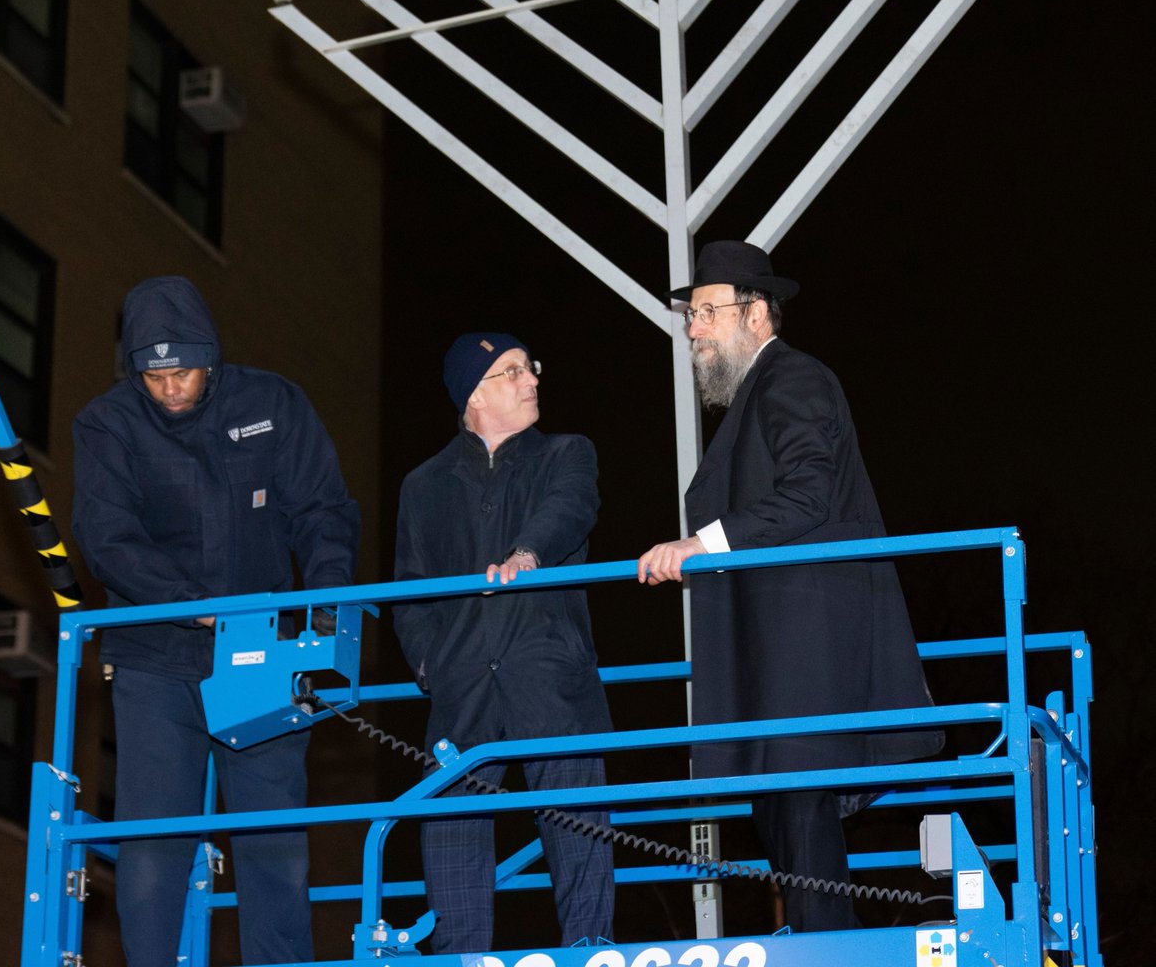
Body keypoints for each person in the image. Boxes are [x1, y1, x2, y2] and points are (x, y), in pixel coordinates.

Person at [637, 241, 942, 933]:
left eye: (706, 311)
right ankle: (819, 941)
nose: (693, 328)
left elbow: (809, 493)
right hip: (773, 660)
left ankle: (827, 949)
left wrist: (701, 544)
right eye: (691, 315)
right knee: (786, 823)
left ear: (757, 313)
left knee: (801, 822)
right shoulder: (760, 392)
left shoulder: (793, 379)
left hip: (804, 655)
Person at [72, 275, 361, 967]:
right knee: (153, 842)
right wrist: (194, 605)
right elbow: (107, 537)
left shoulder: (273, 404)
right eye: (155, 373)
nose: (172, 388)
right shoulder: (107, 424)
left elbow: (322, 513)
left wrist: (323, 613)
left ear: (213, 355)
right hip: (154, 657)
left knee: (275, 838)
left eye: (185, 369)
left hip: (263, 653)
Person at [393, 332, 614, 953]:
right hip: (461, 692)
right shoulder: (424, 484)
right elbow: (409, 589)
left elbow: (572, 507)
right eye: (513, 371)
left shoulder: (567, 453)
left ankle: (591, 957)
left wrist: (527, 553)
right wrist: (431, 664)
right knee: (452, 847)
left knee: (581, 846)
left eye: (529, 367)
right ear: (474, 396)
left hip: (552, 683)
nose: (532, 379)